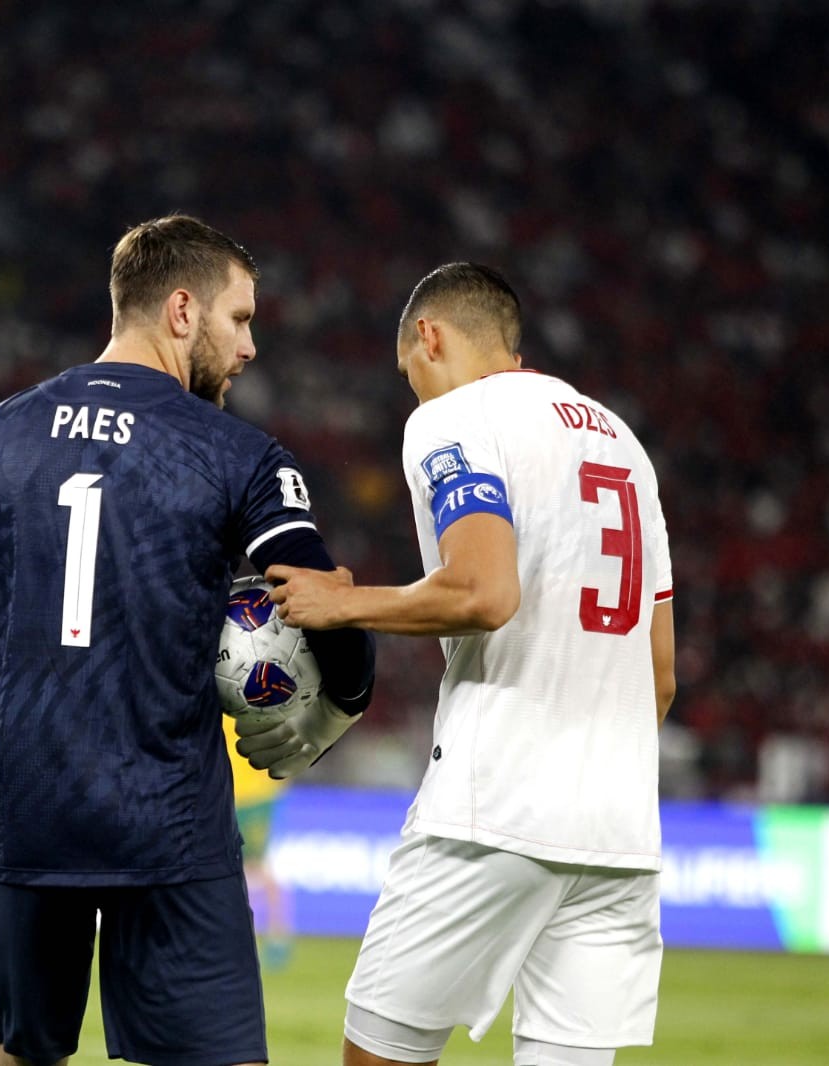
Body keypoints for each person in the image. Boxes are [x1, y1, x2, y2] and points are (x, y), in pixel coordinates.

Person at [0, 215, 375, 1066]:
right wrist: (347, 701)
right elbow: (326, 604)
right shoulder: (236, 455)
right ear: (182, 311)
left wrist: (6, 675)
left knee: (18, 1057)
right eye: (241, 318)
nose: (251, 347)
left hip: (21, 814)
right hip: (167, 823)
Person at [241, 263, 675, 1066]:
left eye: (407, 369)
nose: (412, 391)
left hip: (496, 806)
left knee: (381, 1052)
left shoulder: (456, 418)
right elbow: (661, 672)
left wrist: (345, 603)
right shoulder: (625, 444)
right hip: (620, 834)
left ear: (429, 337)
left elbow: (483, 591)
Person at [221, 713, 295, 971]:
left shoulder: (245, 697)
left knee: (253, 866)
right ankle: (252, 937)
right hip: (230, 793)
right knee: (240, 866)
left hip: (253, 796)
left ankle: (277, 936)